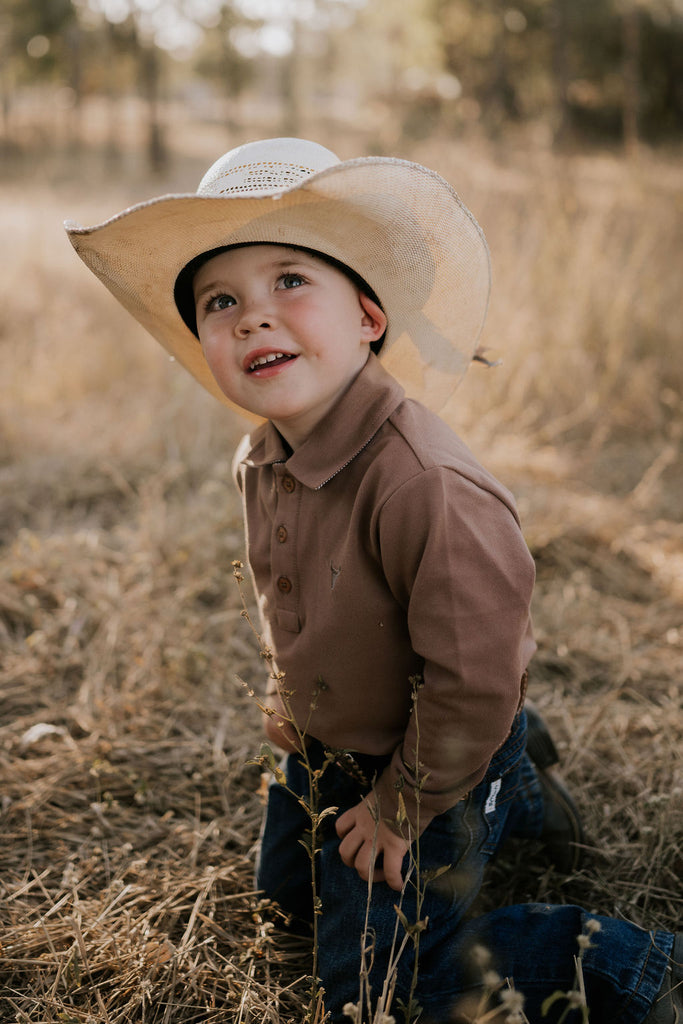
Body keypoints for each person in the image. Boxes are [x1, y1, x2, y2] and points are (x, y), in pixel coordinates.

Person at [66, 137, 680, 1023]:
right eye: (220, 300)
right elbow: (294, 600)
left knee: (379, 989)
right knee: (284, 910)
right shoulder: (262, 455)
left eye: (289, 282)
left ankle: (628, 960)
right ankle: (522, 771)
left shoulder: (424, 485)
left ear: (366, 315)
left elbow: (473, 669)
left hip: (427, 749)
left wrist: (401, 806)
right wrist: (294, 706)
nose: (250, 318)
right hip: (333, 743)